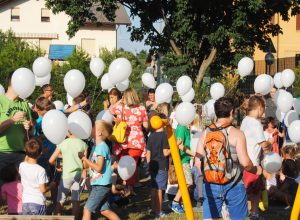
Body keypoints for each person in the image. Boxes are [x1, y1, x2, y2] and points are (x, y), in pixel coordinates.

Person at [195, 97, 262, 220]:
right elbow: (245, 163)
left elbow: (197, 162)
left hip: (211, 184)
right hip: (234, 183)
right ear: (232, 112)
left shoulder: (206, 132)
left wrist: (209, 176)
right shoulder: (237, 133)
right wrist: (256, 170)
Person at [79, 120, 120, 220]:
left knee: (87, 209)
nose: (90, 128)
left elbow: (98, 167)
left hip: (101, 186)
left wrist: (84, 159)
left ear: (99, 132)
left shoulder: (101, 147)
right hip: (100, 184)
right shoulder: (98, 147)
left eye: (93, 126)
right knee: (105, 210)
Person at [111, 88, 148, 195]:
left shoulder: (120, 107)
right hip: (137, 141)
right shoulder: (141, 108)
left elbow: (110, 110)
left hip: (123, 140)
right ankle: (129, 187)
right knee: (133, 164)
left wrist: (120, 102)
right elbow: (146, 125)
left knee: (125, 164)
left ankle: (127, 187)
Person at [240, 95, 271, 219]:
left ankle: (250, 212)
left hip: (243, 160)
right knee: (255, 191)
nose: (264, 112)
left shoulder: (245, 120)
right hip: (252, 163)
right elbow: (263, 145)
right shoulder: (256, 124)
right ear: (259, 108)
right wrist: (270, 141)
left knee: (248, 190)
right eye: (264, 109)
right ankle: (254, 213)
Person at [49, 131, 88, 220]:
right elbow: (85, 165)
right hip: (78, 175)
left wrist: (58, 165)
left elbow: (51, 160)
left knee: (60, 200)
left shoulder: (63, 143)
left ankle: (56, 218)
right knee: (76, 200)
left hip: (66, 176)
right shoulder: (83, 144)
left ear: (68, 131)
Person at [0, 73, 32, 175]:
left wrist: (29, 126)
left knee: (20, 189)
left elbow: (30, 130)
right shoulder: (1, 101)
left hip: (20, 153)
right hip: (2, 153)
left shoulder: (24, 103)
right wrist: (12, 119)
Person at [19, 138, 55, 215]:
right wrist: (51, 186)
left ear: (26, 151)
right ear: (41, 153)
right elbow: (43, 190)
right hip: (38, 202)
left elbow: (26, 159)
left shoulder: (21, 165)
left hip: (25, 202)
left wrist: (28, 151)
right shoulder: (41, 170)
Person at [146, 113, 170, 218]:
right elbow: (165, 153)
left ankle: (153, 209)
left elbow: (148, 153)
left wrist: (148, 164)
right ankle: (159, 211)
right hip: (161, 165)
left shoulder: (151, 136)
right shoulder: (164, 136)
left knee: (153, 188)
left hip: (153, 165)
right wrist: (176, 146)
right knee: (160, 189)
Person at [171, 122, 195, 213]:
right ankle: (175, 202)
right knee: (188, 182)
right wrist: (195, 154)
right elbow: (180, 146)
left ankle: (179, 202)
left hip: (185, 159)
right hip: (182, 161)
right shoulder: (182, 128)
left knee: (183, 183)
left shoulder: (186, 128)